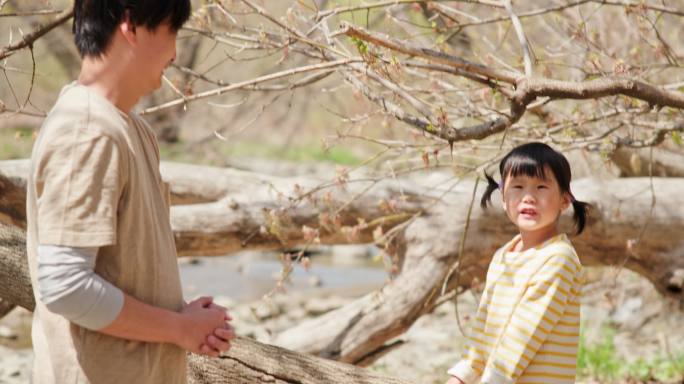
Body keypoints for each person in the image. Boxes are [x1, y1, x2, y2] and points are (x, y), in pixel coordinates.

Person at [25, 1, 235, 383]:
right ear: (132, 26)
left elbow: (117, 271)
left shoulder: (128, 128)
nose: (174, 52)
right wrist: (176, 328)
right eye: (171, 31)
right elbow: (66, 286)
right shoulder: (86, 131)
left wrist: (184, 317)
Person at [446, 142, 589, 384]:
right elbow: (484, 331)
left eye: (541, 187)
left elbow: (524, 335)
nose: (528, 198)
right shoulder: (504, 255)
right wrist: (462, 376)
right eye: (518, 186)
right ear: (503, 196)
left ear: (565, 200)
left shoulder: (558, 259)